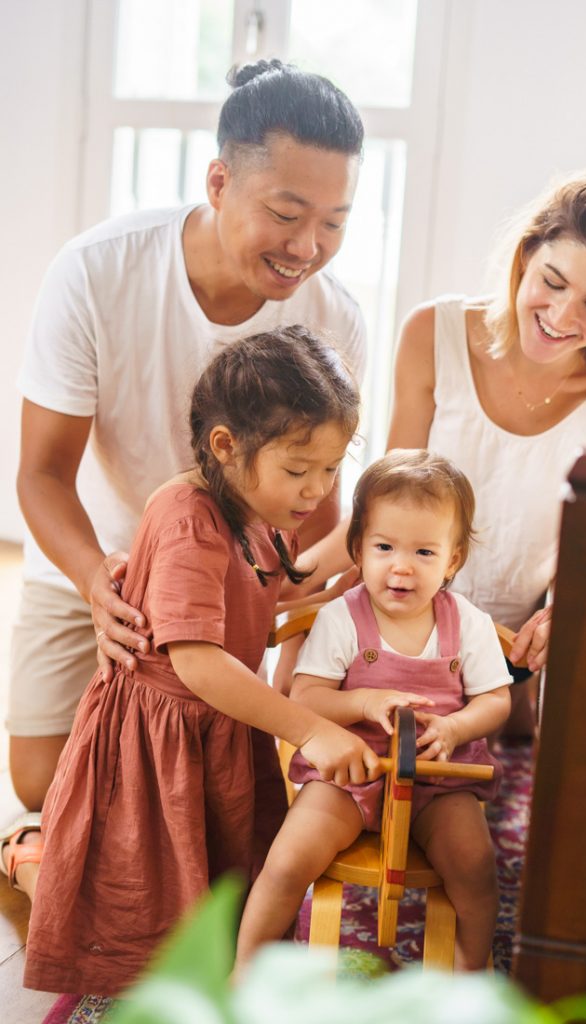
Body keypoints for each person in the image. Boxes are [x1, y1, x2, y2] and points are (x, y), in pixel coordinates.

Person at [2, 58, 366, 898]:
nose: (307, 248)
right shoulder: (98, 271)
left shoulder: (334, 314)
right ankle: (30, 846)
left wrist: (290, 610)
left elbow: (319, 503)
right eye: (286, 213)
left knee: (203, 796)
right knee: (42, 783)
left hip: (237, 574)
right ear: (218, 181)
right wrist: (99, 583)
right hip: (107, 554)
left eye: (335, 224)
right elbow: (41, 475)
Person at [22, 327, 380, 997]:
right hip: (164, 732)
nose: (315, 490)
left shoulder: (260, 506)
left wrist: (358, 561)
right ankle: (25, 856)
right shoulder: (188, 515)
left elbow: (269, 588)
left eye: (331, 469)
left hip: (216, 724)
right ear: (226, 447)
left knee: (212, 886)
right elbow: (198, 661)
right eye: (299, 470)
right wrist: (308, 727)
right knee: (129, 897)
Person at [387, 165, 586, 731]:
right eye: (553, 280)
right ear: (525, 256)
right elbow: (388, 500)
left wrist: (561, 608)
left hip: (510, 655)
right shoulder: (433, 334)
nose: (563, 317)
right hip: (399, 621)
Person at [235, 449, 512, 973]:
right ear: (358, 548)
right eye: (384, 546)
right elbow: (307, 698)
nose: (401, 566)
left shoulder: (467, 624)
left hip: (437, 780)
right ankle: (245, 968)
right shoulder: (343, 618)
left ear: (453, 559)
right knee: (287, 859)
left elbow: (497, 700)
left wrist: (455, 727)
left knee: (475, 867)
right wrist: (362, 702)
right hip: (346, 775)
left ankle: (471, 974)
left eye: (425, 553)